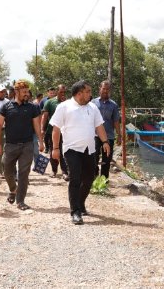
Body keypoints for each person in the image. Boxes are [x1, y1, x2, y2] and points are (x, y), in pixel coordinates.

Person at [50, 80, 111, 225]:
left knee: (89, 178)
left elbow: (99, 126)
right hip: (71, 149)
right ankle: (75, 212)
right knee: (75, 178)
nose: (91, 94)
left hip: (89, 149)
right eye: (88, 91)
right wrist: (55, 148)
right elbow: (56, 129)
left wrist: (105, 142)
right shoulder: (64, 107)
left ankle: (81, 202)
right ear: (79, 93)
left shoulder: (93, 107)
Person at [0, 79, 44, 211]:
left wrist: (41, 141)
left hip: (27, 145)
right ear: (16, 92)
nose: (26, 94)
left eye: (27, 91)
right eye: (24, 92)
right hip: (10, 145)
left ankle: (20, 201)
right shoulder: (6, 107)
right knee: (6, 170)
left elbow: (37, 126)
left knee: (24, 174)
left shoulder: (32, 107)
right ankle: (13, 189)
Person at [92, 80, 120, 179]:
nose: (105, 91)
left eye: (107, 89)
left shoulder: (114, 105)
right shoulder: (93, 103)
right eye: (103, 88)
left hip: (109, 136)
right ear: (100, 89)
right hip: (95, 135)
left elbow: (116, 121)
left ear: (110, 91)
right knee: (94, 156)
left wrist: (119, 135)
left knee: (107, 159)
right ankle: (94, 177)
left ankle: (104, 179)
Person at [41, 84, 69, 179]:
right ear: (57, 92)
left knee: (64, 152)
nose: (62, 94)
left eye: (64, 92)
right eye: (61, 92)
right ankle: (54, 170)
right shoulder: (50, 102)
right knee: (54, 151)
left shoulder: (69, 103)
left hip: (65, 132)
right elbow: (45, 117)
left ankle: (65, 171)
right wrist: (42, 129)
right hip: (52, 131)